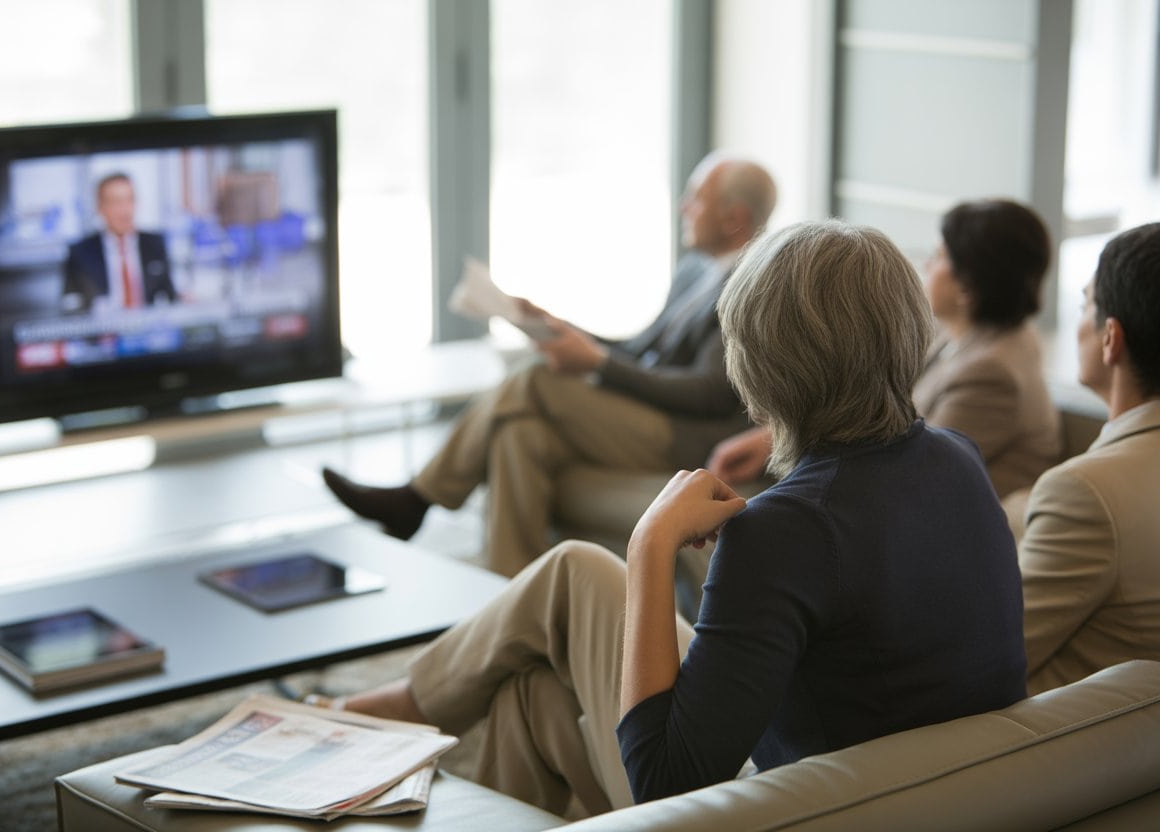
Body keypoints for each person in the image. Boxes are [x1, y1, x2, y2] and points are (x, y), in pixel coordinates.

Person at [309, 220, 1026, 817]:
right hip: (922, 798)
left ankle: (373, 728)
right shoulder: (955, 461)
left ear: (759, 367)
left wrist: (651, 544)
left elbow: (666, 786)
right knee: (539, 671)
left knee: (538, 680)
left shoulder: (783, 532)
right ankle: (397, 712)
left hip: (795, 808)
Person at [322, 152, 776, 576]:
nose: (683, 207)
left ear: (733, 218)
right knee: (519, 435)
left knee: (536, 378)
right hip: (649, 419)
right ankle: (509, 597)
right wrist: (562, 329)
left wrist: (596, 362)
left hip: (684, 437)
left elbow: (707, 391)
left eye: (696, 199)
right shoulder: (696, 269)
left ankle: (418, 498)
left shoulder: (748, 285)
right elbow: (643, 350)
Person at [708, 198, 1061, 498]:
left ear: (966, 289)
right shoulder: (957, 329)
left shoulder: (992, 374)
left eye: (939, 258)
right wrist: (770, 439)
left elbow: (910, 471)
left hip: (926, 527)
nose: (927, 266)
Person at [1018, 222, 1160, 695]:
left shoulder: (1087, 492)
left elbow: (990, 656)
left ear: (1110, 338)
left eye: (1085, 305)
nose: (1079, 319)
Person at [62, 172, 177, 313]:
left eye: (130, 200)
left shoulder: (154, 244)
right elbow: (70, 307)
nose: (125, 210)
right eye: (116, 202)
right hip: (102, 332)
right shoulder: (80, 252)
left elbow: (171, 297)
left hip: (149, 330)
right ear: (100, 207)